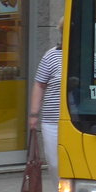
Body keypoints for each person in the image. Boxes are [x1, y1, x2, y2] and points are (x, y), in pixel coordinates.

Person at [29, 18, 68, 175]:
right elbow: (39, 84)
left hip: (80, 122)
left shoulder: (91, 56)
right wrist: (33, 114)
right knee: (54, 164)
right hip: (52, 121)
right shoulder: (51, 56)